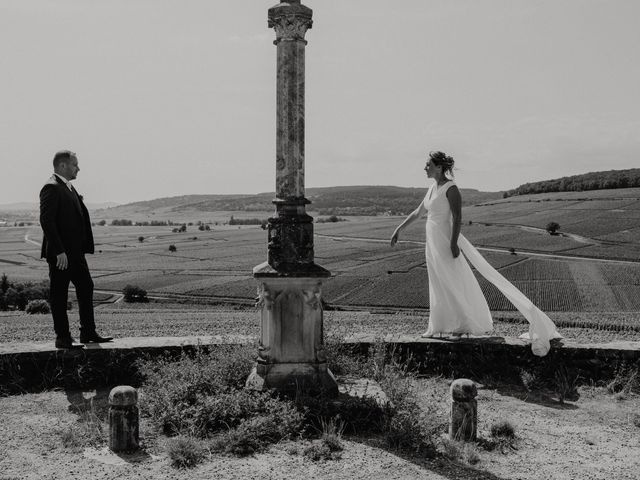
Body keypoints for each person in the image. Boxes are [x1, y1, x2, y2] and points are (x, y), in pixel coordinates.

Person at [391, 151, 561, 356]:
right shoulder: (431, 188)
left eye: (428, 164)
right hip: (432, 243)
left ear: (438, 167)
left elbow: (457, 217)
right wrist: (399, 229)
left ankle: (461, 327)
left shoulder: (451, 188)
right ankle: (439, 325)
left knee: (452, 281)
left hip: (445, 241)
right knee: (438, 281)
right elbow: (418, 213)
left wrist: (454, 243)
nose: (424, 168)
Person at [39, 150, 112, 348]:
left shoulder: (68, 187)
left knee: (86, 286)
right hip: (61, 255)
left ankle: (88, 332)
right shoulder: (51, 187)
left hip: (76, 253)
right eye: (75, 164)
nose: (78, 168)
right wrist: (58, 251)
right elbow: (47, 220)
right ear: (63, 166)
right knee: (60, 294)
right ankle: (62, 337)